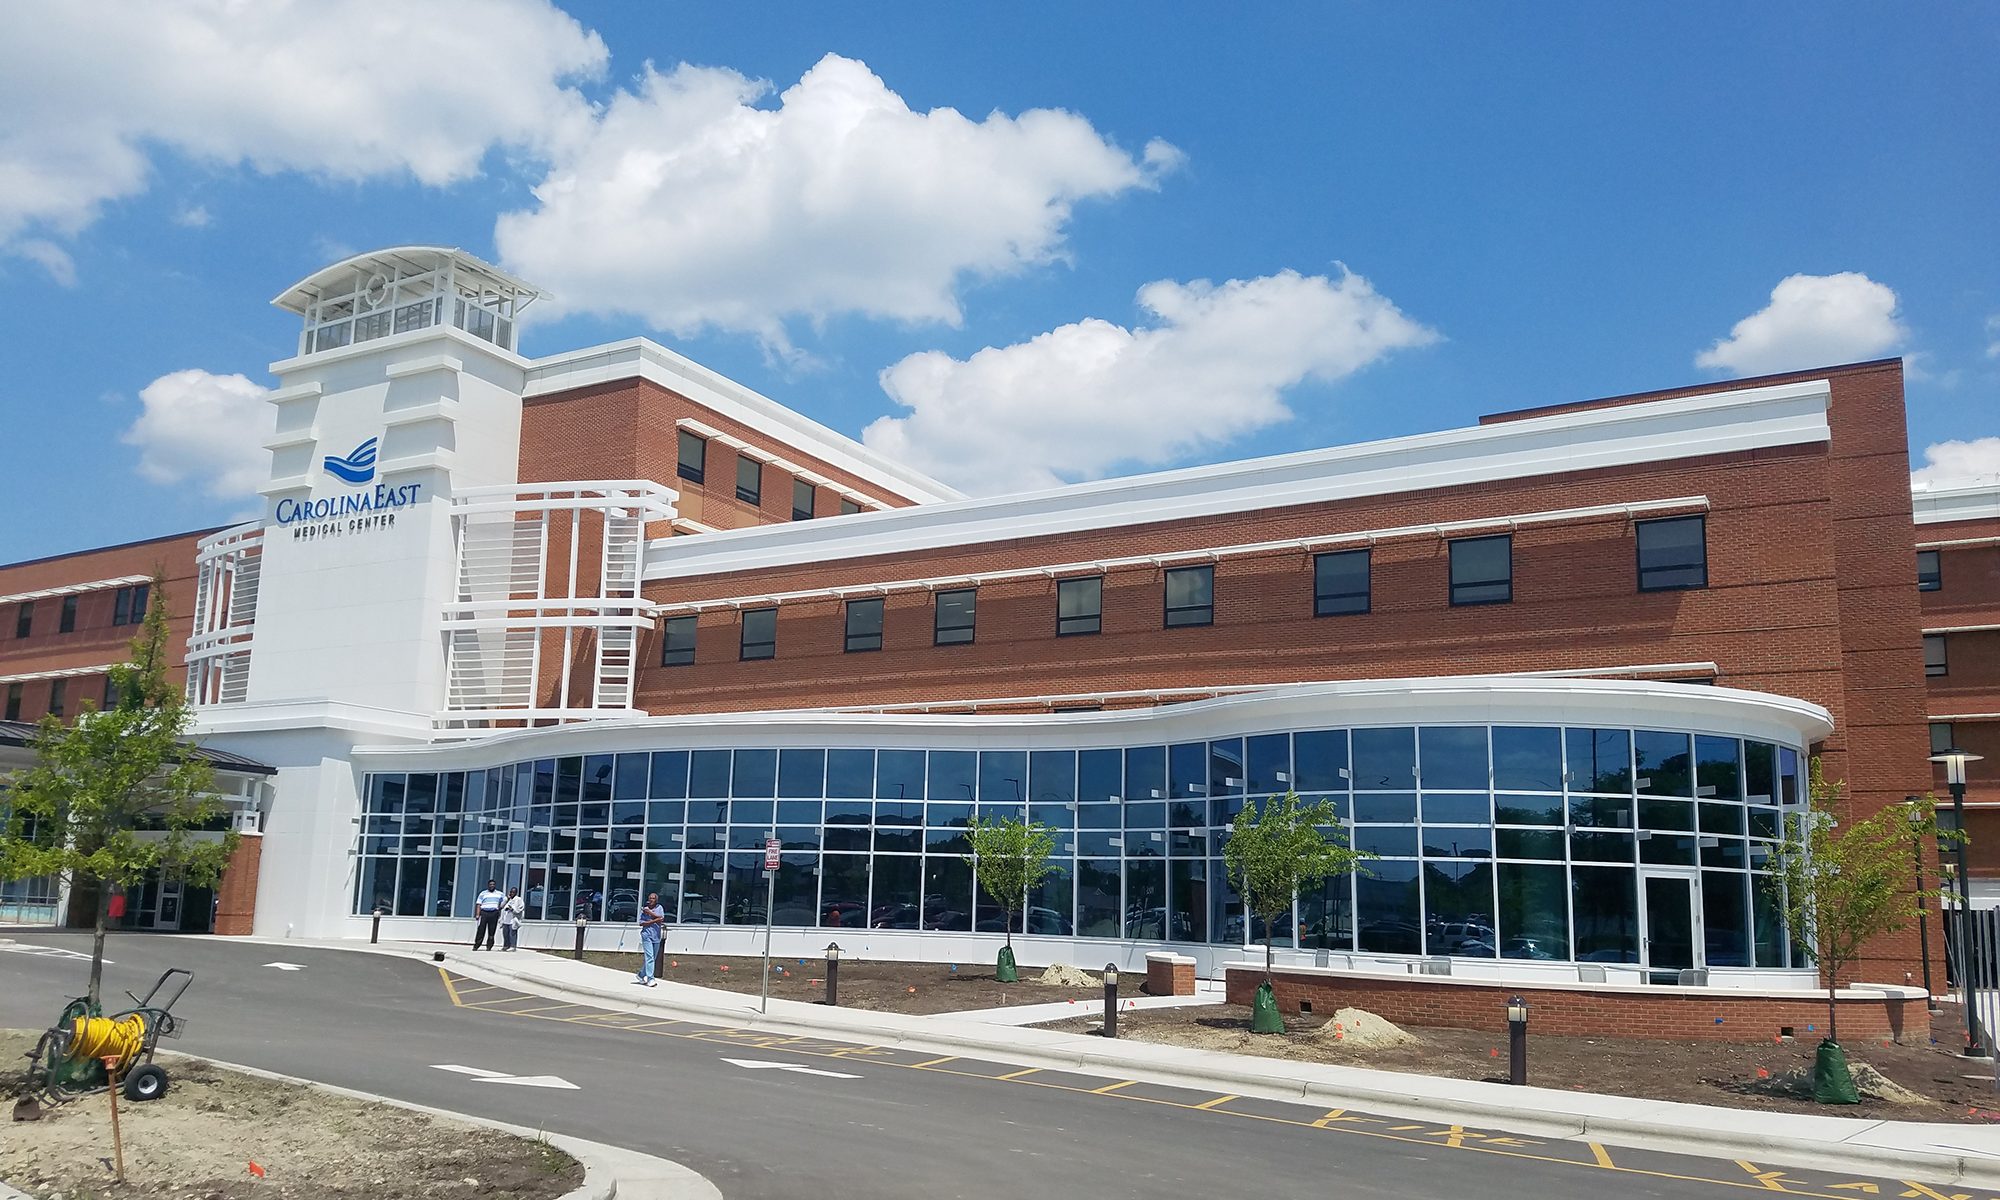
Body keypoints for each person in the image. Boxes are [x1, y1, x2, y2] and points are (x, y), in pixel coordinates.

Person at [634, 892, 665, 986]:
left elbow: (661, 919)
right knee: (650, 957)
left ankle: (640, 974)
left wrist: (650, 914)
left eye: (653, 898)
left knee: (652, 958)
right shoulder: (644, 909)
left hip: (656, 936)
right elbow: (642, 923)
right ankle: (650, 979)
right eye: (650, 898)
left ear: (656, 900)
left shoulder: (659, 908)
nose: (651, 900)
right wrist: (655, 920)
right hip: (646, 935)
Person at [472, 880, 505, 951]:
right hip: (484, 913)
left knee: (492, 931)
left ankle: (489, 946)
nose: (492, 886)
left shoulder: (500, 894)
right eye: (490, 884)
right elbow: (478, 904)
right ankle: (476, 945)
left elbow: (504, 902)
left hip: (494, 913)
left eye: (493, 884)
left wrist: (499, 909)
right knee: (481, 930)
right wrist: (477, 914)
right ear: (488, 885)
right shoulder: (483, 893)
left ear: (495, 885)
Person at [499, 886, 524, 951]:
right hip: (505, 919)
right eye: (511, 892)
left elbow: (520, 909)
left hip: (513, 919)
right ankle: (506, 946)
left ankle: (513, 946)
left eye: (513, 892)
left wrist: (512, 909)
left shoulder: (518, 899)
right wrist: (507, 899)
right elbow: (501, 906)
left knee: (512, 933)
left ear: (516, 893)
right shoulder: (507, 899)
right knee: (505, 934)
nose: (512, 893)